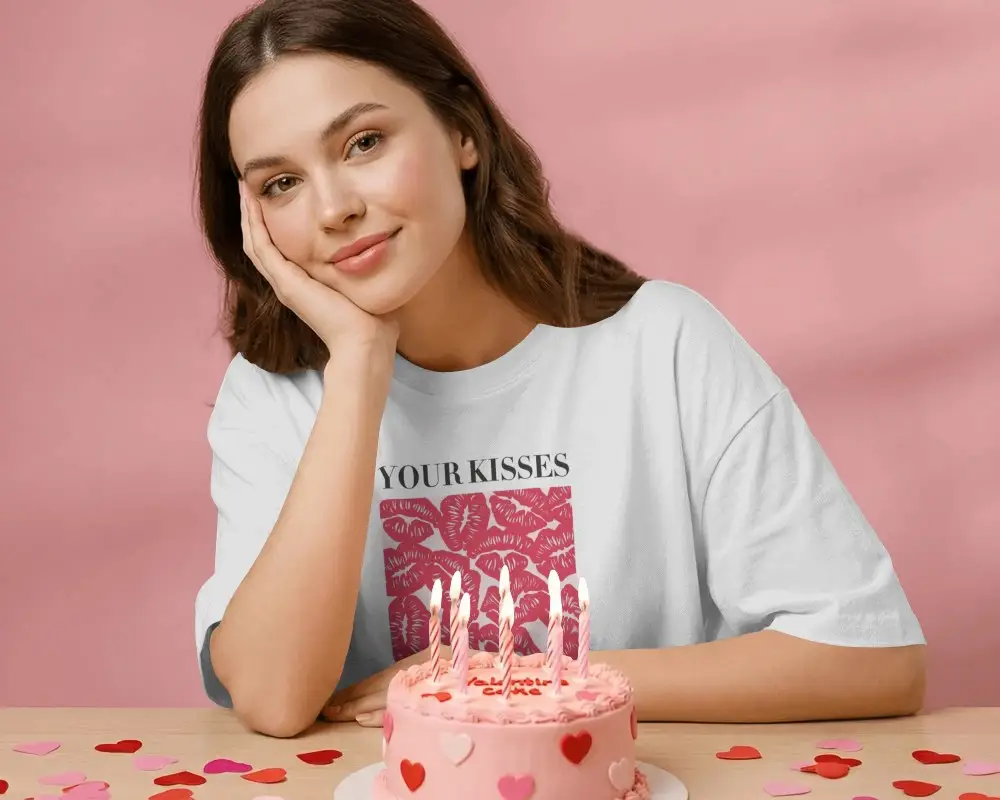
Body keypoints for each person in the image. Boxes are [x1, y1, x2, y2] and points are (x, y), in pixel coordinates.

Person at [193, 0, 926, 739]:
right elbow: (274, 698)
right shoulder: (272, 397)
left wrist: (513, 680)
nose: (332, 208)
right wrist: (358, 366)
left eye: (364, 143)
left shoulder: (664, 345)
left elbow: (869, 657)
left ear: (462, 131)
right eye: (280, 183)